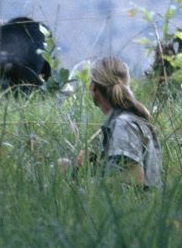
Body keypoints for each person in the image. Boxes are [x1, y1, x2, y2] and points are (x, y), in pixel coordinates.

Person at [59, 56, 162, 189]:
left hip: (139, 206)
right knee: (62, 164)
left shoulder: (123, 124)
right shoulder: (124, 120)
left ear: (93, 87)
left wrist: (86, 181)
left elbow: (134, 179)